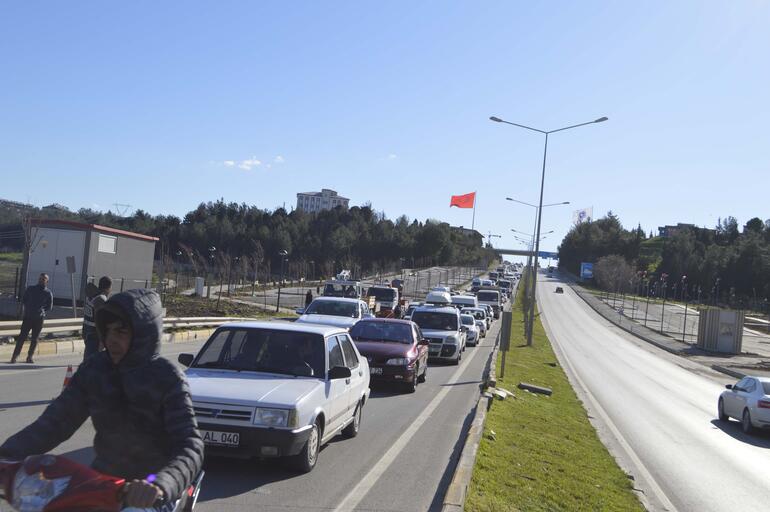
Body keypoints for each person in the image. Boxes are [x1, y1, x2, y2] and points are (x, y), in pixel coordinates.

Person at [0, 289, 204, 508]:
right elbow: (54, 423)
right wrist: (6, 455)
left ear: (143, 334)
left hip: (152, 488)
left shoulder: (167, 378)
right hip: (103, 484)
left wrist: (163, 484)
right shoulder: (95, 370)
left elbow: (190, 445)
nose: (111, 339)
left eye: (121, 332)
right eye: (107, 331)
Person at [10, 273, 53, 364]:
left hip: (39, 319)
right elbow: (24, 300)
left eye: (44, 279)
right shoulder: (30, 289)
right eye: (40, 278)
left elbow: (49, 306)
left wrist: (42, 311)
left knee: (35, 339)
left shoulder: (48, 293)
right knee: (22, 338)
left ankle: (30, 357)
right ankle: (15, 356)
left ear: (47, 281)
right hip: (28, 317)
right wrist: (25, 310)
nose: (41, 280)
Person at [82, 276, 112, 360]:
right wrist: (102, 340)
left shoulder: (91, 296)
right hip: (95, 335)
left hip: (87, 331)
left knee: (89, 361)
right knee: (91, 362)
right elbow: (99, 320)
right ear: (109, 288)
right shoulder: (101, 299)